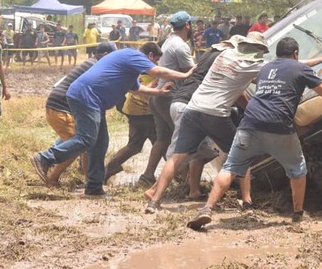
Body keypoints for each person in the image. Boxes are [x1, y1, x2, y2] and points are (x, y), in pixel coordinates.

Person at [186, 37, 322, 230]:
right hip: (279, 126)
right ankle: (298, 214)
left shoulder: (265, 69)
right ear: (296, 54)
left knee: (230, 167)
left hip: (249, 123)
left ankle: (207, 208)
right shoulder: (300, 68)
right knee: (297, 169)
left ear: (277, 54)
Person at [30, 43, 197, 196]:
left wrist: (159, 93)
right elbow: (157, 72)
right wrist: (185, 74)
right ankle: (44, 158)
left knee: (100, 144)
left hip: (94, 101)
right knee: (87, 139)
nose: (154, 65)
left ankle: (94, 187)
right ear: (150, 55)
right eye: (155, 61)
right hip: (86, 97)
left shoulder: (130, 70)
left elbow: (137, 89)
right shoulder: (134, 55)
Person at [144, 32, 270, 213]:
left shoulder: (220, 57)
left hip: (192, 108)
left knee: (177, 156)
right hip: (215, 113)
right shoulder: (249, 64)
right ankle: (247, 201)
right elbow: (276, 70)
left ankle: (154, 201)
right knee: (242, 155)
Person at [44, 42, 117, 187]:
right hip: (61, 108)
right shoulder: (97, 67)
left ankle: (89, 180)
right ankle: (52, 177)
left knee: (85, 144)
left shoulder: (91, 63)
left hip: (58, 106)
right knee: (79, 144)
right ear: (106, 55)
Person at [142, 11, 195, 186]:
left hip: (158, 95)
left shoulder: (168, 42)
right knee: (183, 137)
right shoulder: (180, 45)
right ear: (188, 25)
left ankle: (148, 175)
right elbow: (191, 73)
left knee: (163, 139)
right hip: (169, 96)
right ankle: (183, 181)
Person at [104, 43, 162, 183]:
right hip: (141, 111)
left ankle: (110, 169)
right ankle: (112, 168)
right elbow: (139, 90)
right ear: (150, 55)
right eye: (157, 59)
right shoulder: (145, 70)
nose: (157, 63)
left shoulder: (139, 67)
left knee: (138, 145)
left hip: (137, 110)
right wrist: (155, 84)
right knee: (160, 143)